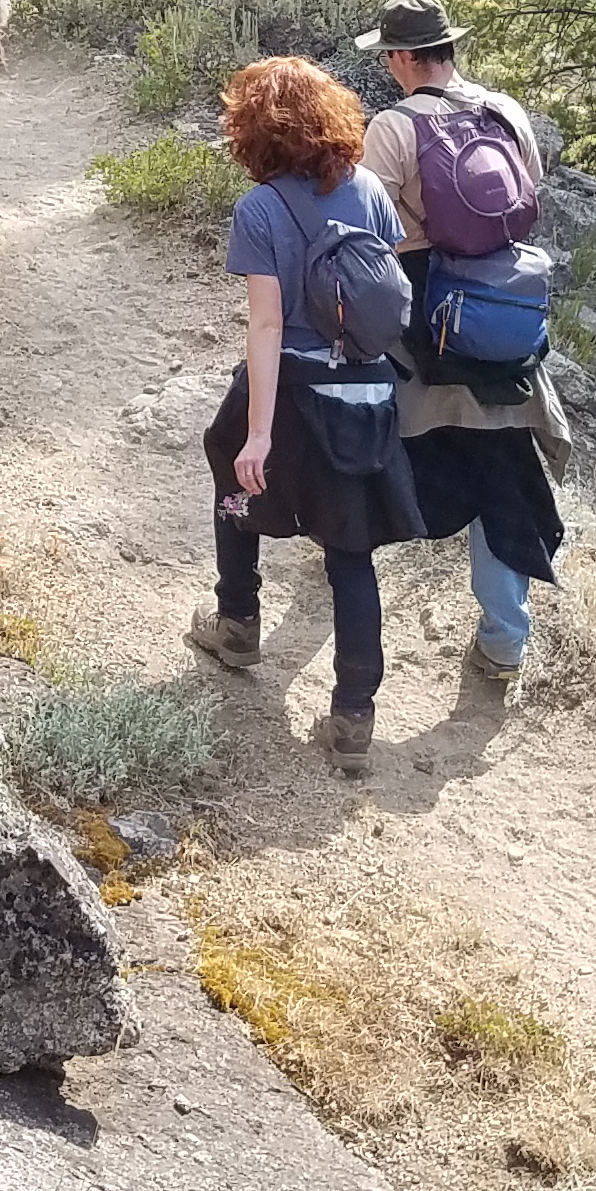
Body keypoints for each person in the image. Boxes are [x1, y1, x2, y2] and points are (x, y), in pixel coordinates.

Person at [191, 56, 425, 764]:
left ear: (253, 130)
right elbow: (382, 297)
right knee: (350, 553)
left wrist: (257, 433)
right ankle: (353, 719)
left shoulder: (260, 209)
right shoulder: (371, 192)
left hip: (293, 392)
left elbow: (267, 327)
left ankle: (238, 621)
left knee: (232, 479)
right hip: (365, 393)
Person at [354, 0, 572, 685]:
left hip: (427, 320)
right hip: (505, 317)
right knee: (504, 469)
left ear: (400, 58)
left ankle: (341, 572)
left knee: (373, 438)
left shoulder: (392, 128)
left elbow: (370, 232)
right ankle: (504, 640)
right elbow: (527, 201)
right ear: (450, 49)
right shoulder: (505, 112)